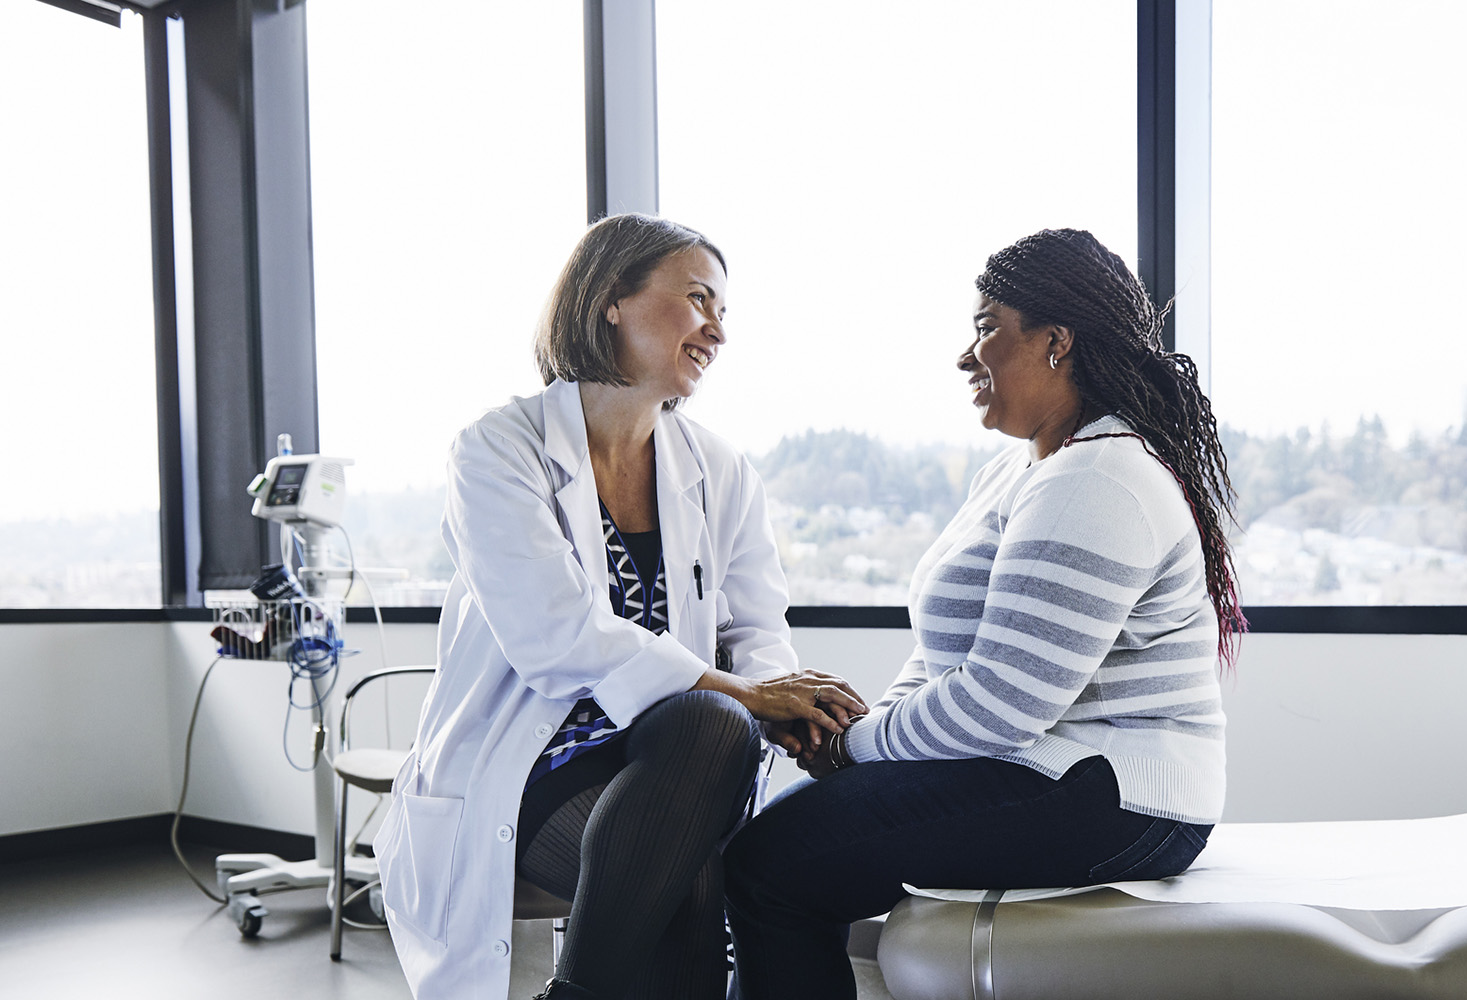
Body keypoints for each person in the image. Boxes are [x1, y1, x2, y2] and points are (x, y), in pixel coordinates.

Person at [722, 228, 1248, 999]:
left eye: (985, 328)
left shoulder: (1099, 477)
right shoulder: (1019, 472)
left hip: (1116, 797)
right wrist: (857, 735)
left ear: (1056, 342)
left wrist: (853, 749)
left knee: (773, 864)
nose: (966, 357)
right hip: (1052, 768)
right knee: (787, 837)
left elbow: (1003, 702)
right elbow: (941, 663)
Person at [375, 214, 867, 1000]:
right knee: (689, 892)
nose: (717, 331)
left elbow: (756, 628)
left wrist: (781, 700)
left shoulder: (719, 468)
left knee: (712, 727)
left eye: (724, 312)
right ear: (611, 299)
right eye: (699, 300)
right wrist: (745, 693)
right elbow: (553, 636)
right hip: (533, 763)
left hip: (678, 758)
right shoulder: (499, 450)